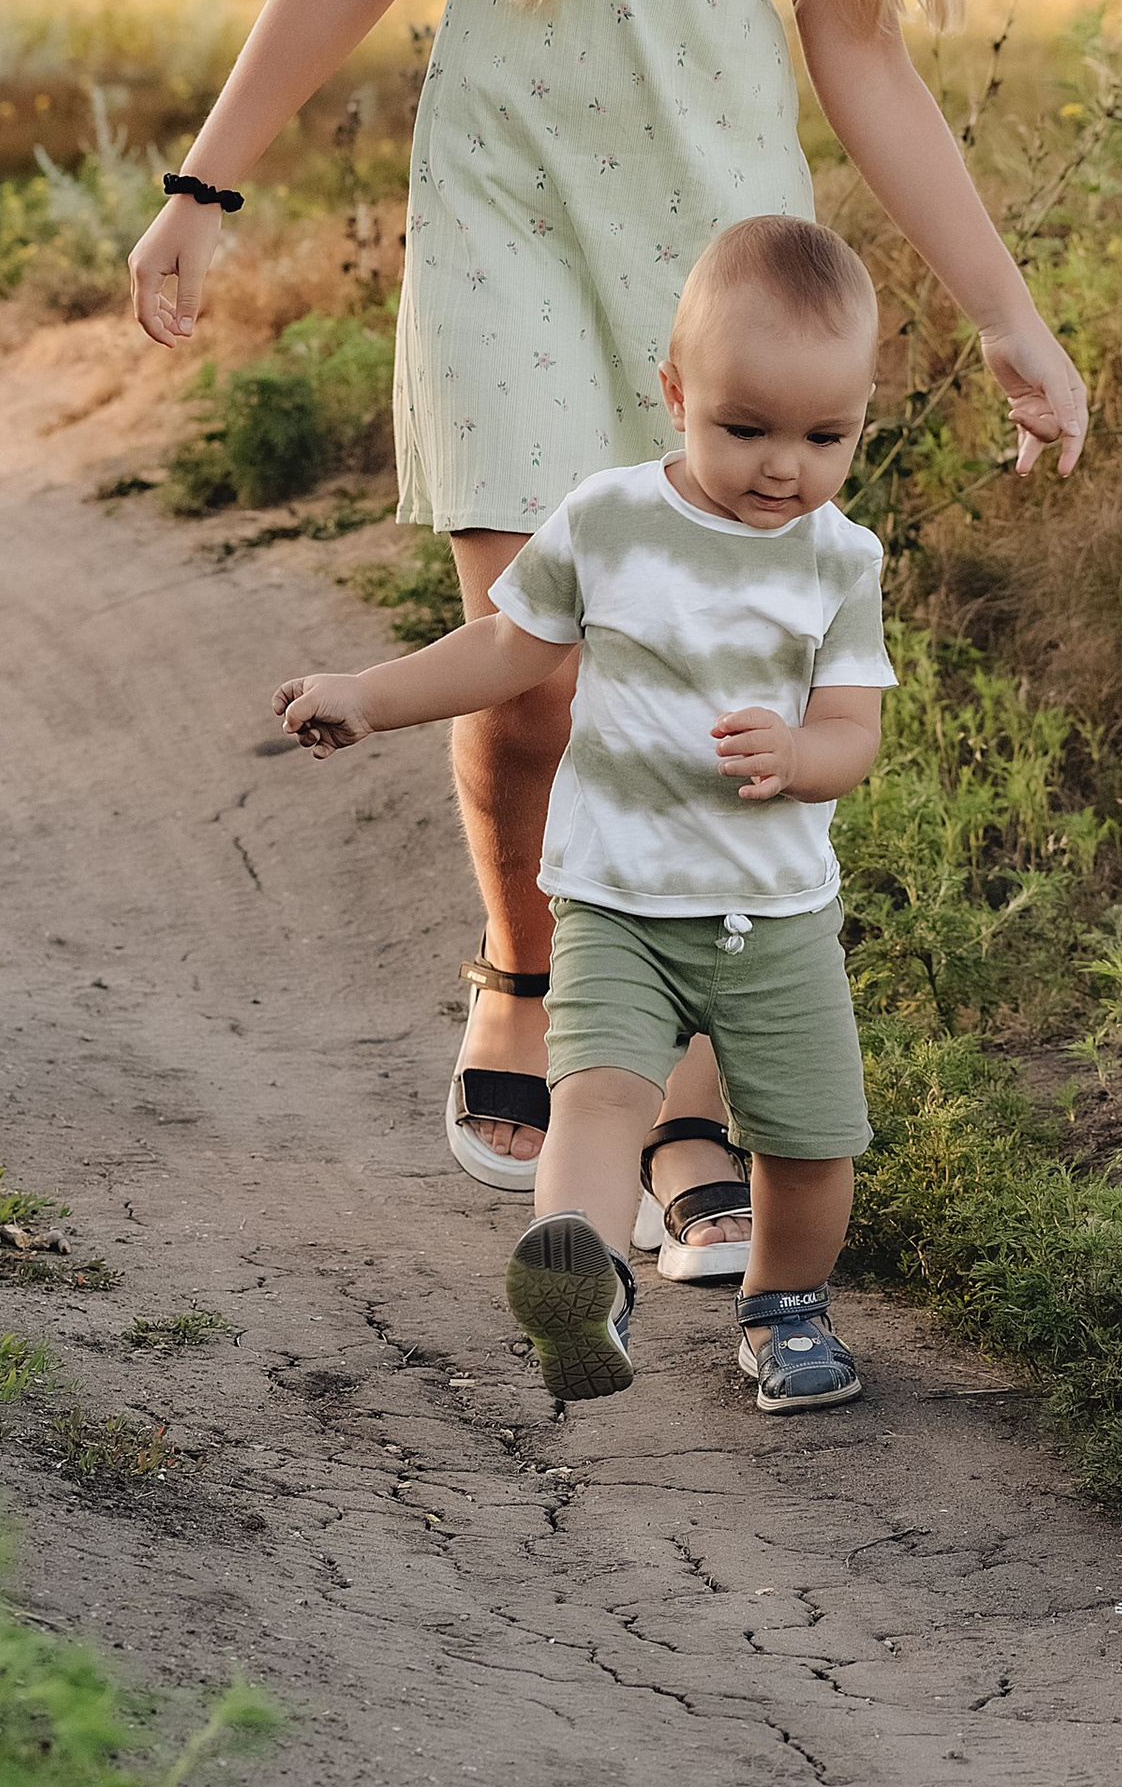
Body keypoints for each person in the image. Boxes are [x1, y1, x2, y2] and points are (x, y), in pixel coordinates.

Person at [127, 0, 1086, 1266]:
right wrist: (204, 180)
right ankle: (521, 967)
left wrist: (1002, 309)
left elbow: (860, 54)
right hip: (503, 221)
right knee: (540, 651)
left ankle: (671, 1090)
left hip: (712, 258)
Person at [273, 215, 891, 1411]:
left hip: (772, 914)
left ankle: (784, 1309)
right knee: (600, 1093)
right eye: (744, 428)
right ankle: (583, 1266)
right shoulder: (608, 520)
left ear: (862, 412)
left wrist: (801, 754)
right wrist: (368, 695)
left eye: (826, 436)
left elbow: (855, 732)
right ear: (674, 392)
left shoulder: (838, 558)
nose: (783, 467)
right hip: (614, 895)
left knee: (813, 1146)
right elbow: (507, 647)